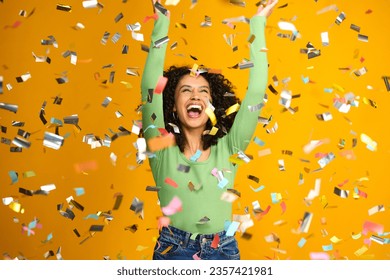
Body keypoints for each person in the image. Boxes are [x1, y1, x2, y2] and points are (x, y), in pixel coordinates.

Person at [141, 0, 278, 260]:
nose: (196, 96)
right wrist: (162, 22)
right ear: (172, 104)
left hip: (223, 250)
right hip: (175, 250)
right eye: (186, 90)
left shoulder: (230, 146)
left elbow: (257, 91)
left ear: (213, 105)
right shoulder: (161, 148)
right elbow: (150, 87)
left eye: (203, 91)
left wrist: (258, 24)